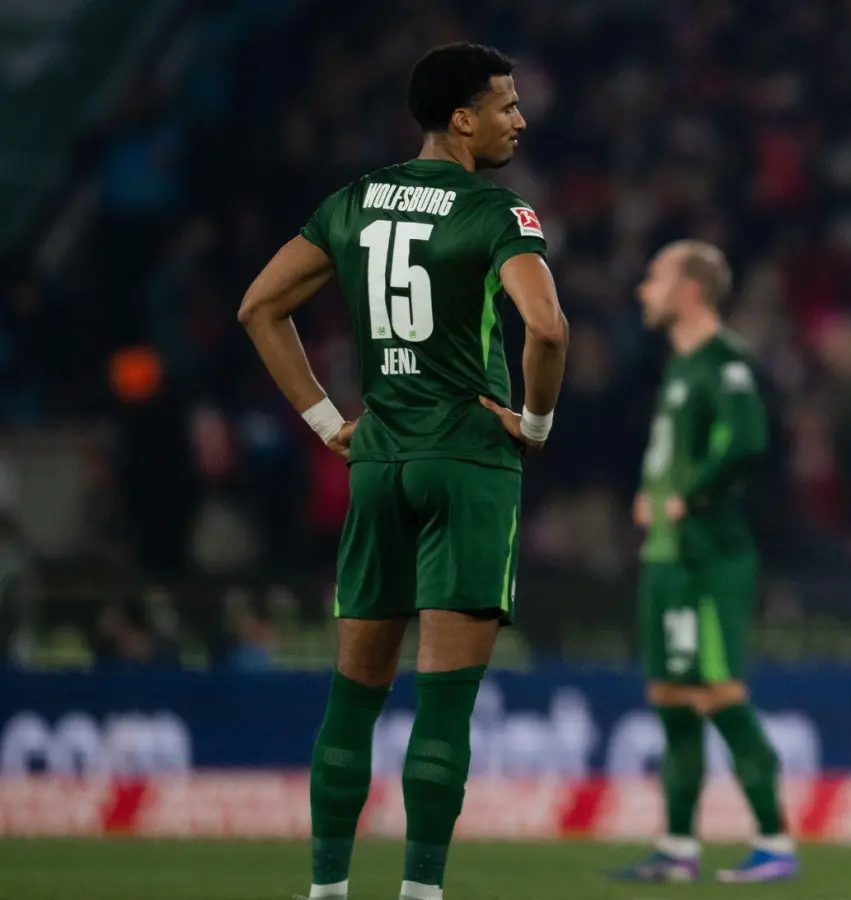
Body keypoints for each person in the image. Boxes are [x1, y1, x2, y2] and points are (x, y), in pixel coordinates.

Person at [237, 42, 568, 900]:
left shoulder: (354, 201)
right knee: (446, 704)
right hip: (467, 460)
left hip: (378, 460)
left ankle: (326, 891)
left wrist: (323, 421)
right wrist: (534, 422)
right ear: (463, 119)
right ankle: (420, 892)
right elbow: (549, 328)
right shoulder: (499, 212)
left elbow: (259, 307)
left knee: (353, 700)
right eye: (506, 104)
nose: (520, 119)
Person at [609, 241, 798, 884]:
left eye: (654, 277)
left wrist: (689, 498)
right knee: (670, 694)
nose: (643, 290)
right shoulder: (682, 364)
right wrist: (653, 495)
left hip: (707, 556)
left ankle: (774, 842)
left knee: (717, 689)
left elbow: (747, 438)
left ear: (690, 289)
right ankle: (677, 848)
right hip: (667, 555)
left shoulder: (725, 362)